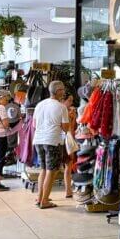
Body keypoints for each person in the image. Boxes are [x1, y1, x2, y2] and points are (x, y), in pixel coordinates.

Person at [33, 80, 70, 209]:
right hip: (52, 141)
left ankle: (40, 197)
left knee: (43, 169)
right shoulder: (61, 107)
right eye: (63, 90)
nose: (64, 92)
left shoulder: (39, 105)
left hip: (38, 139)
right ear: (58, 91)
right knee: (51, 171)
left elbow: (34, 124)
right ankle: (44, 201)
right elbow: (66, 128)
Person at [61, 94, 78, 200]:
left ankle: (68, 190)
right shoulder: (64, 111)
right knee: (68, 164)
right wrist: (72, 118)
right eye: (69, 100)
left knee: (67, 165)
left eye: (72, 100)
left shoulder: (65, 111)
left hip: (64, 139)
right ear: (63, 100)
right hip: (66, 139)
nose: (71, 103)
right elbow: (70, 129)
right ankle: (68, 190)